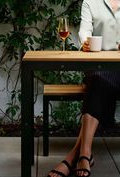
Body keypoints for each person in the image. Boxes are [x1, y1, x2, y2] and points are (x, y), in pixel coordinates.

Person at [47, 0, 120, 177]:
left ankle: (77, 155)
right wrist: (86, 43)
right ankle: (85, 155)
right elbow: (84, 31)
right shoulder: (90, 2)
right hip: (98, 67)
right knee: (98, 78)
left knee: (99, 81)